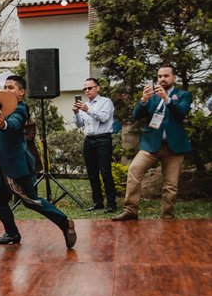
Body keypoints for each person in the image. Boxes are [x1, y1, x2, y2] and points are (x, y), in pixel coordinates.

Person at [0, 75, 77, 248]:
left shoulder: (20, 108)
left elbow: (15, 123)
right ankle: (12, 233)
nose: (6, 90)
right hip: (4, 166)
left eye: (11, 87)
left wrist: (4, 124)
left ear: (21, 92)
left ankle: (65, 223)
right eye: (5, 86)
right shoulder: (1, 108)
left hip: (15, 167)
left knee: (31, 201)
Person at [112, 65, 192, 221]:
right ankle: (130, 210)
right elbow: (136, 115)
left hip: (173, 148)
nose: (162, 79)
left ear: (174, 77)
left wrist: (167, 99)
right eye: (160, 76)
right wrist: (143, 100)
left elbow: (182, 113)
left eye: (166, 76)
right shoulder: (152, 97)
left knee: (170, 185)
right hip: (151, 146)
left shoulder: (184, 95)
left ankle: (167, 218)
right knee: (134, 170)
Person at [73, 78, 116, 213]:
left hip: (103, 139)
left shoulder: (105, 102)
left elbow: (104, 118)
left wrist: (88, 110)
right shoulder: (84, 105)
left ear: (97, 88)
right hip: (89, 140)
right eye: (85, 89)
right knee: (92, 173)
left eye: (89, 88)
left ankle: (111, 203)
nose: (87, 91)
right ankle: (98, 202)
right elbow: (79, 124)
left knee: (105, 172)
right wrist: (76, 113)